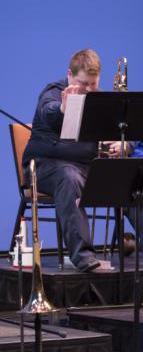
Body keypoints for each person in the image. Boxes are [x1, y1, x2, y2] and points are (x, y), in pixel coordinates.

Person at [21, 49, 103, 272]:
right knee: (68, 176)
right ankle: (82, 256)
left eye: (93, 84)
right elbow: (49, 111)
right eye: (82, 84)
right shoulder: (53, 92)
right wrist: (64, 108)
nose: (87, 90)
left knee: (133, 174)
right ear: (69, 74)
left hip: (86, 168)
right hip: (44, 167)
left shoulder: (99, 99)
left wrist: (121, 145)